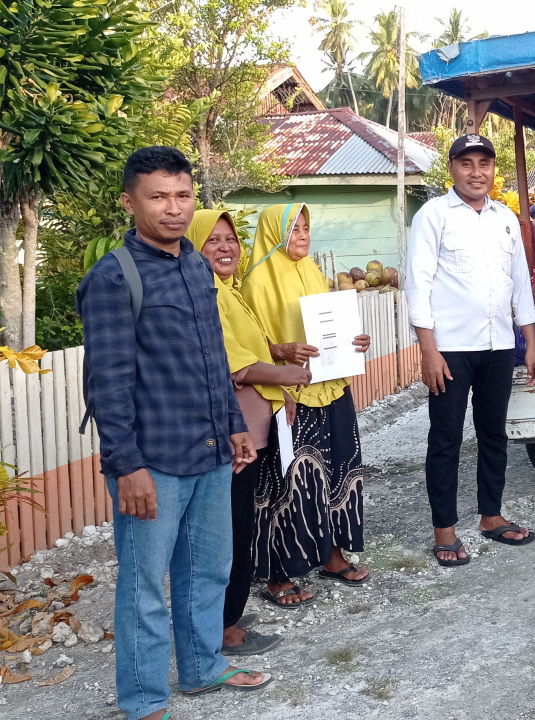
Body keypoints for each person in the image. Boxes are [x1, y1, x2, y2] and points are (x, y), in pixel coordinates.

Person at [78, 147, 271, 720]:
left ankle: (204, 667)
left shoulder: (194, 264)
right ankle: (143, 702)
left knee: (207, 569)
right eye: (158, 196)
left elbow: (214, 360)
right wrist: (126, 465)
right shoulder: (113, 277)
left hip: (210, 451)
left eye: (183, 196)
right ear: (129, 201)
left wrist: (235, 426)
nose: (173, 208)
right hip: (153, 461)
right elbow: (107, 383)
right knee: (145, 588)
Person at [405, 133, 535, 567]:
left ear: (493, 170)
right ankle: (443, 529)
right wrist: (428, 350)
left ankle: (490, 515)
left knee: (493, 433)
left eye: (485, 163)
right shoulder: (433, 216)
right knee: (445, 439)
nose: (477, 171)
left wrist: (531, 343)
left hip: (499, 345)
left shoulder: (505, 218)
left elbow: (520, 283)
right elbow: (418, 284)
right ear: (452, 169)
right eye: (467, 163)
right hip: (450, 349)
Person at [188, 210, 313, 654]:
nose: (225, 248)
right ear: (192, 246)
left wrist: (283, 391)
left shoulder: (228, 290)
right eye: (212, 241)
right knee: (227, 530)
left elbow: (255, 349)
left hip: (255, 431)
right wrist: (287, 377)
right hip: (232, 432)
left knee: (241, 523)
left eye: (230, 240)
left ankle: (230, 612)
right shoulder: (205, 295)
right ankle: (221, 628)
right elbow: (233, 362)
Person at [240, 203, 373, 591]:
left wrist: (355, 339)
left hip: (332, 388)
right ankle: (279, 572)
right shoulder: (256, 282)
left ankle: (332, 555)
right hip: (290, 395)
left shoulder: (313, 270)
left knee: (335, 471)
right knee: (290, 479)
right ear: (272, 233)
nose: (301, 235)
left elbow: (328, 327)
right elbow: (244, 347)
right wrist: (280, 352)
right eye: (293, 229)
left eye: (305, 227)